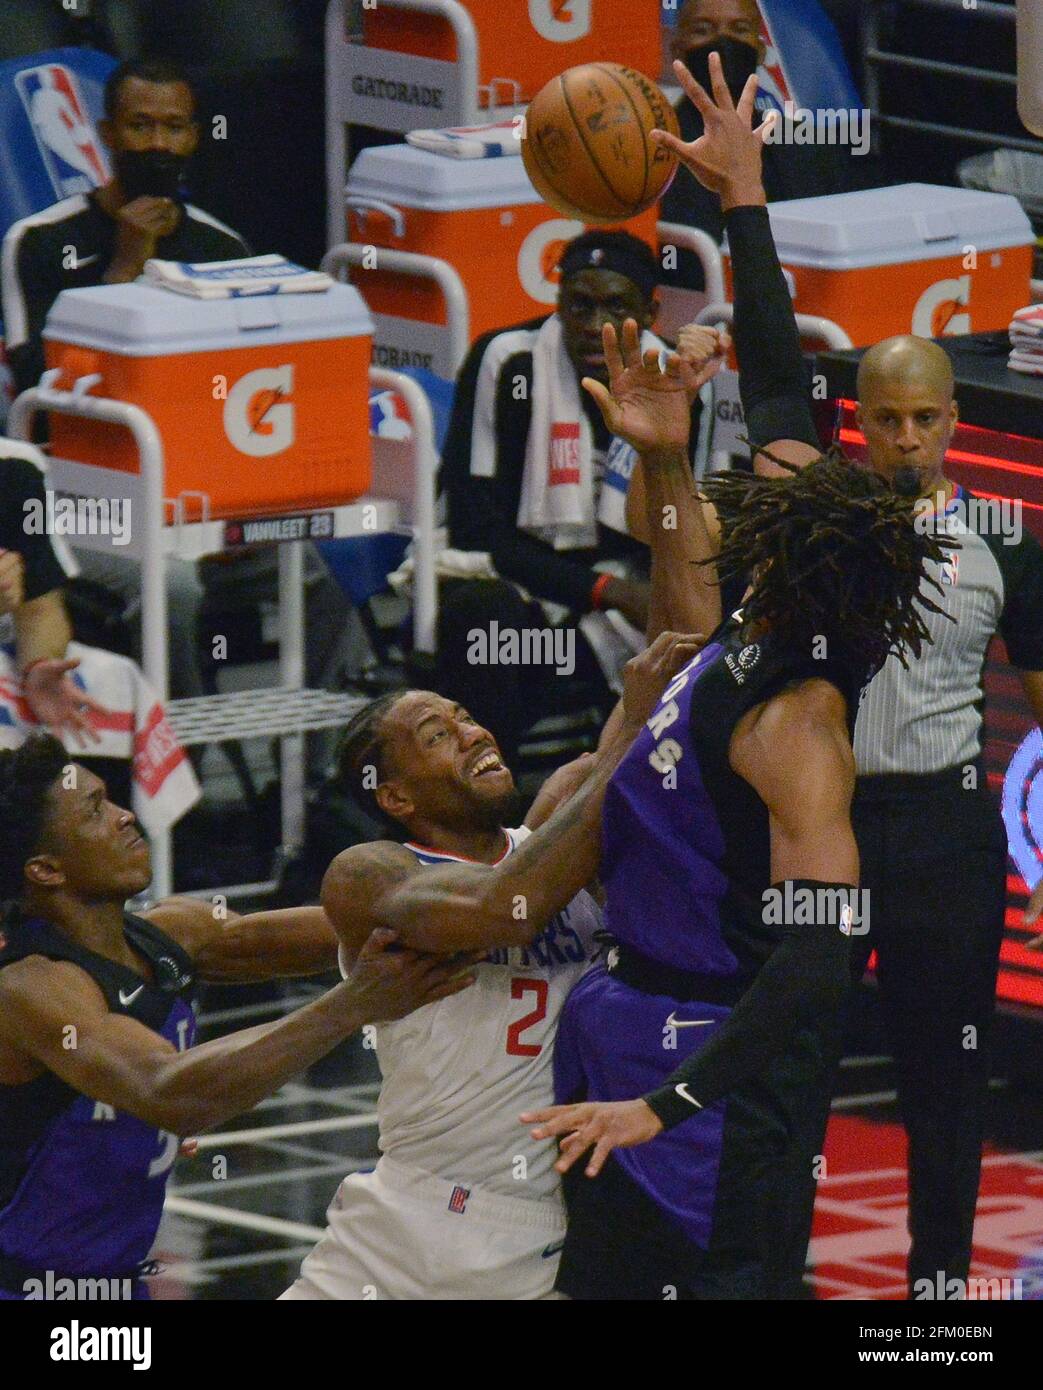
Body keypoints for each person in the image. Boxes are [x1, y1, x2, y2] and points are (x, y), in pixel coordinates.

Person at [649, 51, 1043, 1295]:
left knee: (944, 1079)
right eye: (885, 418)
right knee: (787, 1066)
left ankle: (933, 1299)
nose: (908, 436)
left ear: (951, 422)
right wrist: (741, 201)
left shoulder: (1004, 541)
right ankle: (763, 1278)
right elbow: (770, 366)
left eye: (928, 418)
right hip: (816, 821)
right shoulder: (809, 507)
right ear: (856, 423)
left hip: (939, 830)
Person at [519, 294, 949, 1296]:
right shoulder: (758, 617)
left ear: (781, 558)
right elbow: (773, 397)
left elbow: (814, 963)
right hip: (620, 1016)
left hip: (697, 1061)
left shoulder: (798, 727)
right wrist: (742, 188)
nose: (742, 504)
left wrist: (663, 1105)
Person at [281, 630, 703, 1300]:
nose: (474, 734)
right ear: (395, 799)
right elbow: (506, 909)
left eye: (465, 717)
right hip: (407, 1221)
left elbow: (663, 659)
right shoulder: (374, 872)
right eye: (437, 734)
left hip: (539, 1229)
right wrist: (629, 732)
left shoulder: (557, 833)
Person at [0, 735, 473, 1300]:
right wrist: (356, 1003)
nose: (127, 817)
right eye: (96, 811)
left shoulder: (169, 934)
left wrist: (485, 888)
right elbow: (169, 1093)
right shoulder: (30, 987)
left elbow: (356, 926)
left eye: (113, 800)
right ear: (46, 869)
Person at [1, 58, 248, 705]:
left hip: (207, 491)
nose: (159, 143)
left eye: (174, 127)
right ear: (108, 133)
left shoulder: (224, 248)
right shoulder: (40, 242)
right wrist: (124, 266)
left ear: (195, 136)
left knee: (328, 569)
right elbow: (42, 399)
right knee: (176, 590)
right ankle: (180, 771)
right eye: (141, 125)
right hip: (85, 494)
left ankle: (315, 781)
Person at [437, 229, 708, 762]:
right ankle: (493, 806)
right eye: (578, 305)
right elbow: (477, 530)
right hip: (522, 593)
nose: (592, 326)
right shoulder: (506, 362)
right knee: (483, 621)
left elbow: (685, 528)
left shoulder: (673, 377)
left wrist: (635, 595)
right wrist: (605, 590)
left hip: (625, 609)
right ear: (557, 302)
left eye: (614, 308)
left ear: (651, 313)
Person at [660, 0, 849, 290]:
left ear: (761, 51)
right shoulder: (655, 151)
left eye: (740, 29)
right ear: (677, 51)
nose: (723, 42)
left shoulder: (810, 148)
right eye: (703, 30)